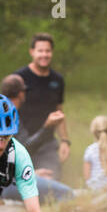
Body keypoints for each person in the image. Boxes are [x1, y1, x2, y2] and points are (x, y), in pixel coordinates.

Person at [0, 74, 74, 203]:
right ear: (21, 94)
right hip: (7, 183)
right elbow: (23, 149)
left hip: (7, 179)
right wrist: (47, 127)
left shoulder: (1, 112)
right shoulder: (8, 116)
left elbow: (15, 153)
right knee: (67, 194)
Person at [13, 33, 69, 180]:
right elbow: (10, 111)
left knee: (50, 183)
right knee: (26, 183)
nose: (44, 55)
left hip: (48, 144)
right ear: (32, 52)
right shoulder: (19, 78)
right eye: (40, 51)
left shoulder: (57, 80)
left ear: (52, 52)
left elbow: (59, 112)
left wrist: (65, 140)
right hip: (24, 143)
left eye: (48, 51)